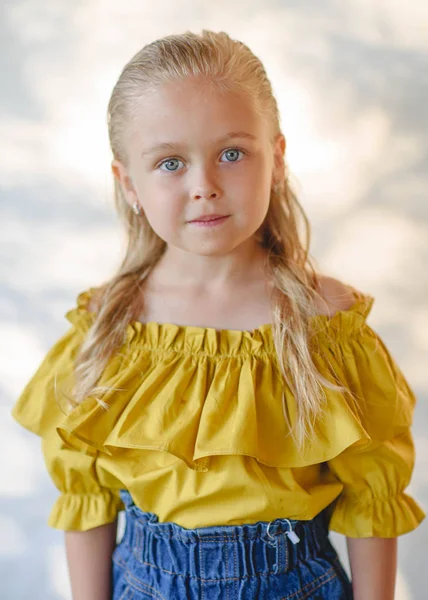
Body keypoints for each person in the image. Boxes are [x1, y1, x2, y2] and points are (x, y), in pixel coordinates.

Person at [11, 29, 425, 600]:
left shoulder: (327, 325)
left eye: (232, 154)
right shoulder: (106, 327)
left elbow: (372, 500)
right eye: (171, 163)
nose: (203, 186)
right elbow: (86, 503)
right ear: (128, 182)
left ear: (275, 159)